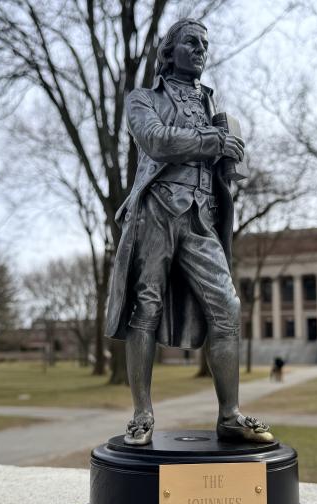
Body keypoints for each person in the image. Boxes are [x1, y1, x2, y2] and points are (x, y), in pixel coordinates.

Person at [105, 18, 272, 446]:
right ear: (169, 51)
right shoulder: (142, 99)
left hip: (201, 216)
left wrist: (228, 150)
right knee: (146, 305)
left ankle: (229, 415)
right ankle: (142, 414)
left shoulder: (210, 103)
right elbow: (156, 140)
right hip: (156, 210)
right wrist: (213, 141)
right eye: (191, 42)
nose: (200, 49)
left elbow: (210, 155)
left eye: (205, 44)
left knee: (227, 307)